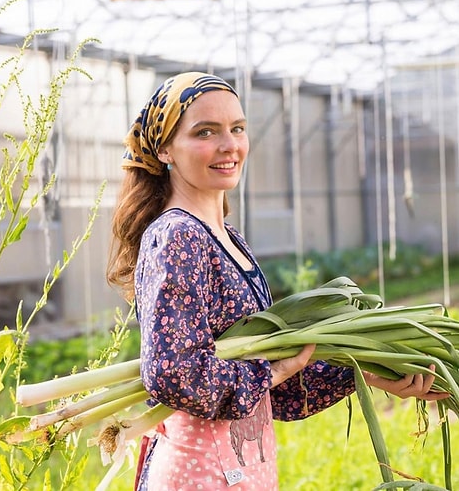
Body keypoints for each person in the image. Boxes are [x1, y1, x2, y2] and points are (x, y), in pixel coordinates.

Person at [106, 72, 448, 491]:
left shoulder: (228, 239)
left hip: (243, 473)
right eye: (205, 132)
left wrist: (371, 371)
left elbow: (276, 395)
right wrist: (269, 372)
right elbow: (174, 373)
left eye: (237, 128)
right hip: (198, 477)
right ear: (165, 150)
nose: (229, 144)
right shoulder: (179, 235)